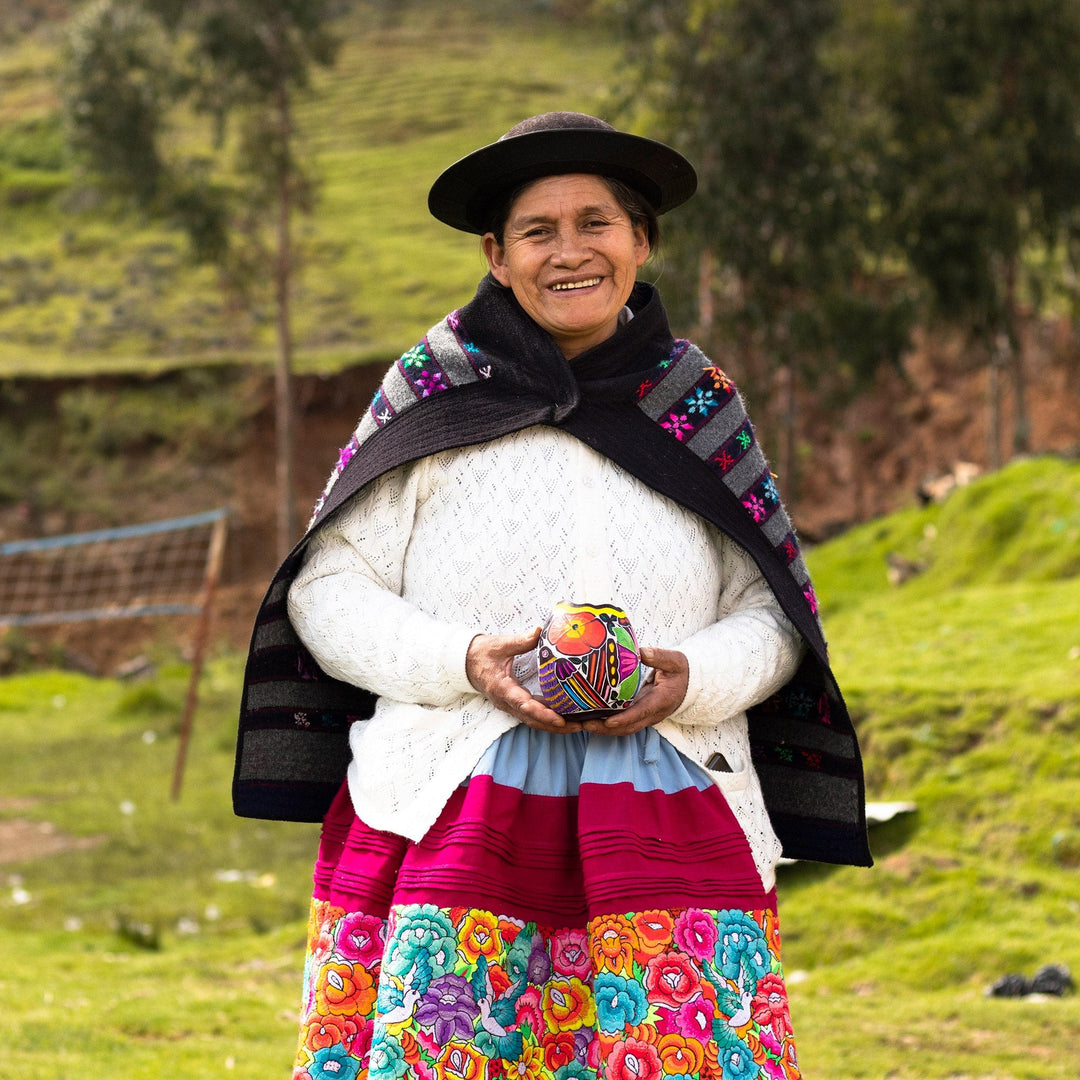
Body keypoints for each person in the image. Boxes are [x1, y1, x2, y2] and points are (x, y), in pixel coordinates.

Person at [234, 112, 871, 1080]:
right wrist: (465, 661)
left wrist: (688, 677)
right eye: (538, 231)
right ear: (495, 254)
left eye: (596, 223)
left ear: (641, 240)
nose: (569, 252)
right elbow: (328, 591)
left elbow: (775, 617)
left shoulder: (696, 404)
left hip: (673, 808)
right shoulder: (432, 392)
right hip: (451, 806)